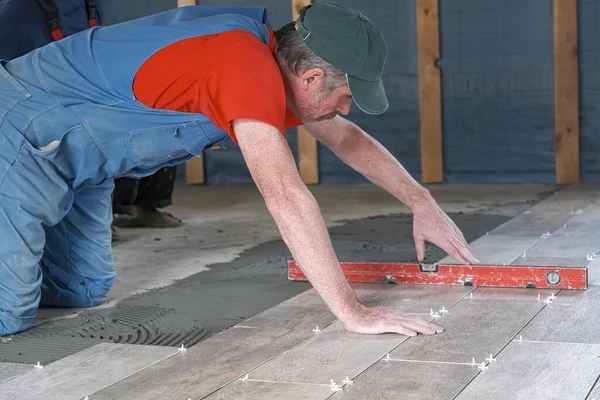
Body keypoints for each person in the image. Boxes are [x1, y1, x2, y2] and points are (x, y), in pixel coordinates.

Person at [0, 3, 478, 337]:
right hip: (21, 129)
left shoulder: (278, 65)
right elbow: (285, 195)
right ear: (311, 77)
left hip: (78, 162)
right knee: (9, 315)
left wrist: (422, 202)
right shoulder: (240, 63)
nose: (347, 111)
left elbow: (348, 139)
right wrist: (353, 312)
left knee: (82, 291)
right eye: (347, 97)